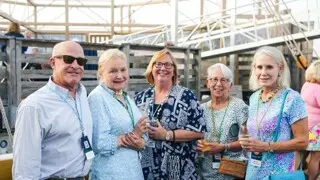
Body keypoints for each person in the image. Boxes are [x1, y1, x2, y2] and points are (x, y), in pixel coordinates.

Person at [13, 41, 93, 180]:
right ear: (53, 63)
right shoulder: (34, 106)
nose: (75, 66)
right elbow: (24, 170)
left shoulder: (82, 93)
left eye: (80, 61)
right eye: (68, 59)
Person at [134, 48, 206, 180]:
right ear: (152, 68)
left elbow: (200, 131)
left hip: (178, 168)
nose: (163, 68)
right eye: (158, 64)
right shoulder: (140, 98)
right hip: (147, 167)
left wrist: (167, 135)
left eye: (168, 64)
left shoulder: (186, 96)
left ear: (174, 71)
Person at [239, 46, 308, 180]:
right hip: (253, 172)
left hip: (279, 173)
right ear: (254, 69)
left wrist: (266, 146)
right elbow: (256, 131)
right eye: (259, 67)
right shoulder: (254, 98)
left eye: (269, 67)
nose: (263, 72)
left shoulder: (292, 98)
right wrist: (245, 141)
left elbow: (303, 142)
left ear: (280, 68)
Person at [88, 49, 147, 179]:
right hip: (111, 173)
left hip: (133, 171)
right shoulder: (97, 97)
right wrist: (134, 136)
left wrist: (141, 142)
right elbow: (99, 143)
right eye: (113, 71)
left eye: (123, 70)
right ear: (100, 74)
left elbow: (142, 135)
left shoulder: (125, 97)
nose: (119, 75)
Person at [197, 63, 248, 180]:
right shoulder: (201, 109)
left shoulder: (239, 106)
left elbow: (247, 141)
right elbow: (195, 136)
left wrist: (224, 147)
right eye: (214, 79)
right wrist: (197, 144)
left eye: (224, 80)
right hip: (206, 174)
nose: (219, 84)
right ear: (208, 83)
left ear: (230, 85)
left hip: (232, 173)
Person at [301, 60, 320, 180]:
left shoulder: (306, 85)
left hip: (305, 125)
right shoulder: (318, 88)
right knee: (316, 157)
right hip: (316, 129)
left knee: (303, 154)